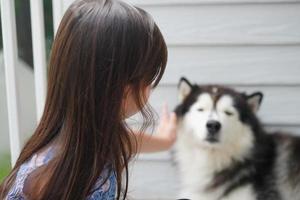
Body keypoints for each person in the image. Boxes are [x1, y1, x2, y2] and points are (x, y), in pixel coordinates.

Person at [0, 0, 177, 199]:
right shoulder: (53, 181)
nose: (151, 87)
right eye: (149, 78)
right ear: (123, 91)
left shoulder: (92, 139)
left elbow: (128, 139)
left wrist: (166, 140)